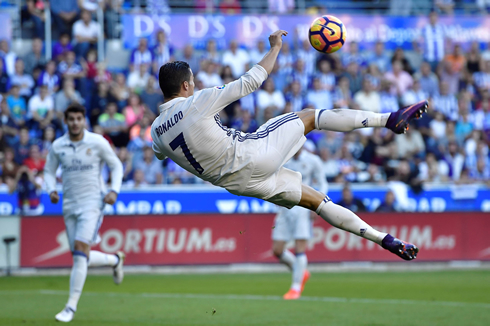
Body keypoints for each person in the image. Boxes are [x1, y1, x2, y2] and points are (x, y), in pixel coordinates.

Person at [152, 31, 424, 272]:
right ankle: (389, 119)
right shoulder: (197, 102)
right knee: (310, 116)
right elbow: (251, 81)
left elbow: (160, 154)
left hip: (241, 185)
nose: (196, 86)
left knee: (318, 203)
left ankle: (383, 239)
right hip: (252, 155)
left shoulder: (157, 132)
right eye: (193, 82)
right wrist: (275, 49)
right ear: (186, 86)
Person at [44, 104, 125, 323]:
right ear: (66, 121)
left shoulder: (97, 142)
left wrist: (114, 191)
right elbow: (48, 171)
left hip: (93, 203)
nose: (75, 123)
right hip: (69, 205)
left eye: (79, 118)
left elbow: (116, 166)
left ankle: (70, 307)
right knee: (80, 256)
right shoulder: (58, 146)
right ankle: (114, 260)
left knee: (80, 251)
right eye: (71, 119)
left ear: (84, 120)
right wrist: (51, 189)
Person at [271, 146, 327, 300]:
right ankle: (302, 272)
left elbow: (322, 183)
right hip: (284, 209)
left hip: (303, 208)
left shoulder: (312, 160)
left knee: (299, 248)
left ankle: (295, 288)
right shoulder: (283, 159)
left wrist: (317, 206)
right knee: (277, 250)